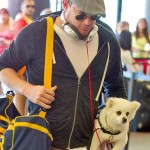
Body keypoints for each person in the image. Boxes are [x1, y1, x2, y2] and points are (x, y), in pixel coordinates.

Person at [0, 0, 127, 149]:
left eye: (94, 17)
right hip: (42, 142)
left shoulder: (108, 42)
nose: (87, 22)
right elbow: (4, 67)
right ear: (65, 4)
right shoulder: (37, 32)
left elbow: (116, 88)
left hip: (88, 144)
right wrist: (28, 90)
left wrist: (114, 126)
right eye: (81, 16)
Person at [0, 8, 14, 96]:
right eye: (1, 14)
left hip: (8, 53)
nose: (3, 16)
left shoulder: (12, 26)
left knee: (7, 73)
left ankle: (7, 97)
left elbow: (15, 41)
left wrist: (6, 42)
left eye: (5, 14)